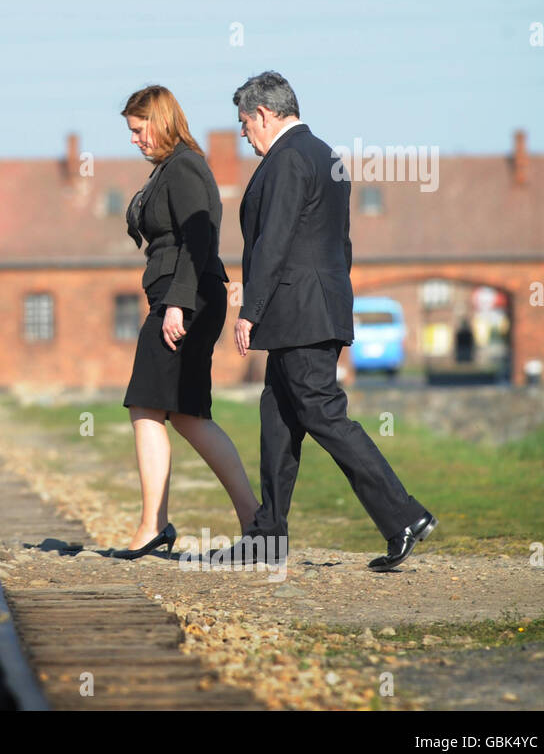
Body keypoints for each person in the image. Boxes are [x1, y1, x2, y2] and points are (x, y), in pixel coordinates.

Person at [225, 71, 436, 571]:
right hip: (314, 310)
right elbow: (339, 244)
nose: (241, 133)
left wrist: (248, 311)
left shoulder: (288, 159)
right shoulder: (325, 155)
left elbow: (273, 241)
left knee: (321, 413)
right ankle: (267, 537)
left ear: (263, 114)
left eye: (243, 122)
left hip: (299, 314)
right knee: (277, 419)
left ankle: (403, 515)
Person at [113, 85, 260, 560]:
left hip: (187, 299)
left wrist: (177, 304)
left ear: (159, 121)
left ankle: (153, 525)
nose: (134, 140)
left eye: (138, 130)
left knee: (145, 405)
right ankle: (258, 524)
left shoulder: (186, 166)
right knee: (187, 414)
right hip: (184, 296)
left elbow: (201, 237)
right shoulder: (168, 170)